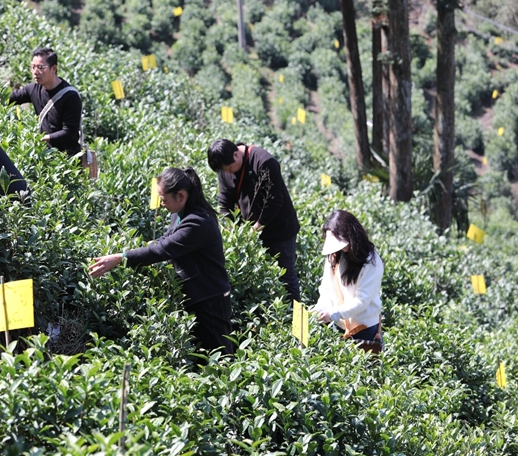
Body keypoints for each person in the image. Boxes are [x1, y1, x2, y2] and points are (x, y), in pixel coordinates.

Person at [89, 167, 235, 355]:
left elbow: (163, 249)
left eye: (164, 199)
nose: (162, 204)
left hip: (209, 299)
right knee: (199, 354)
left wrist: (121, 258)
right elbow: (165, 239)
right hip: (197, 295)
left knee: (219, 354)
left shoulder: (198, 222)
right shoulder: (180, 212)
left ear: (180, 196)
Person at [207, 139, 300, 302]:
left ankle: (295, 314)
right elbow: (224, 200)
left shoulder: (264, 162)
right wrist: (229, 225)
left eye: (229, 168)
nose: (228, 173)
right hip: (252, 231)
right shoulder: (225, 166)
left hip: (280, 230)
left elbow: (274, 200)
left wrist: (256, 228)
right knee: (261, 279)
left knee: (286, 277)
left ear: (236, 155)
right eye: (224, 170)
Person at [314, 209, 383, 345]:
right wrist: (319, 310)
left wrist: (333, 314)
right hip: (338, 325)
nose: (341, 249)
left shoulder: (372, 262)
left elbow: (362, 300)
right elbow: (327, 289)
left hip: (364, 328)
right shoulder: (334, 256)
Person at [8, 47, 82, 156]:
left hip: (66, 159)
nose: (35, 72)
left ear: (54, 69)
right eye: (33, 67)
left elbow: (69, 132)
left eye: (41, 67)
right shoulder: (33, 88)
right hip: (44, 155)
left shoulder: (70, 96)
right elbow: (10, 98)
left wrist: (41, 138)